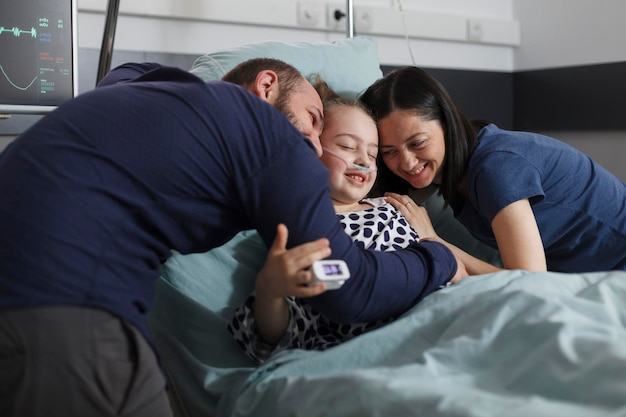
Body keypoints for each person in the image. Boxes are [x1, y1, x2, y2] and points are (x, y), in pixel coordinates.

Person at [0, 59, 466, 416]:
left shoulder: (164, 99)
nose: (313, 142)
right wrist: (436, 258)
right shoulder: (270, 139)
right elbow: (343, 281)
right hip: (61, 297)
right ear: (266, 86)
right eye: (315, 119)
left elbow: (129, 71)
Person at [360, 66, 626, 273]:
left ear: (446, 123)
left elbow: (529, 279)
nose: (406, 162)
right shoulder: (450, 166)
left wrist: (437, 244)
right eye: (389, 151)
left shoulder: (495, 168)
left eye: (417, 142)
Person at [229, 81, 424, 361]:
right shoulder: (300, 227)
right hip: (389, 339)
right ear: (310, 150)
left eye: (372, 153)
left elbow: (449, 266)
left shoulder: (395, 205)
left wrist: (434, 239)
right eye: (347, 146)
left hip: (446, 305)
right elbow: (280, 336)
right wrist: (269, 291)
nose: (364, 161)